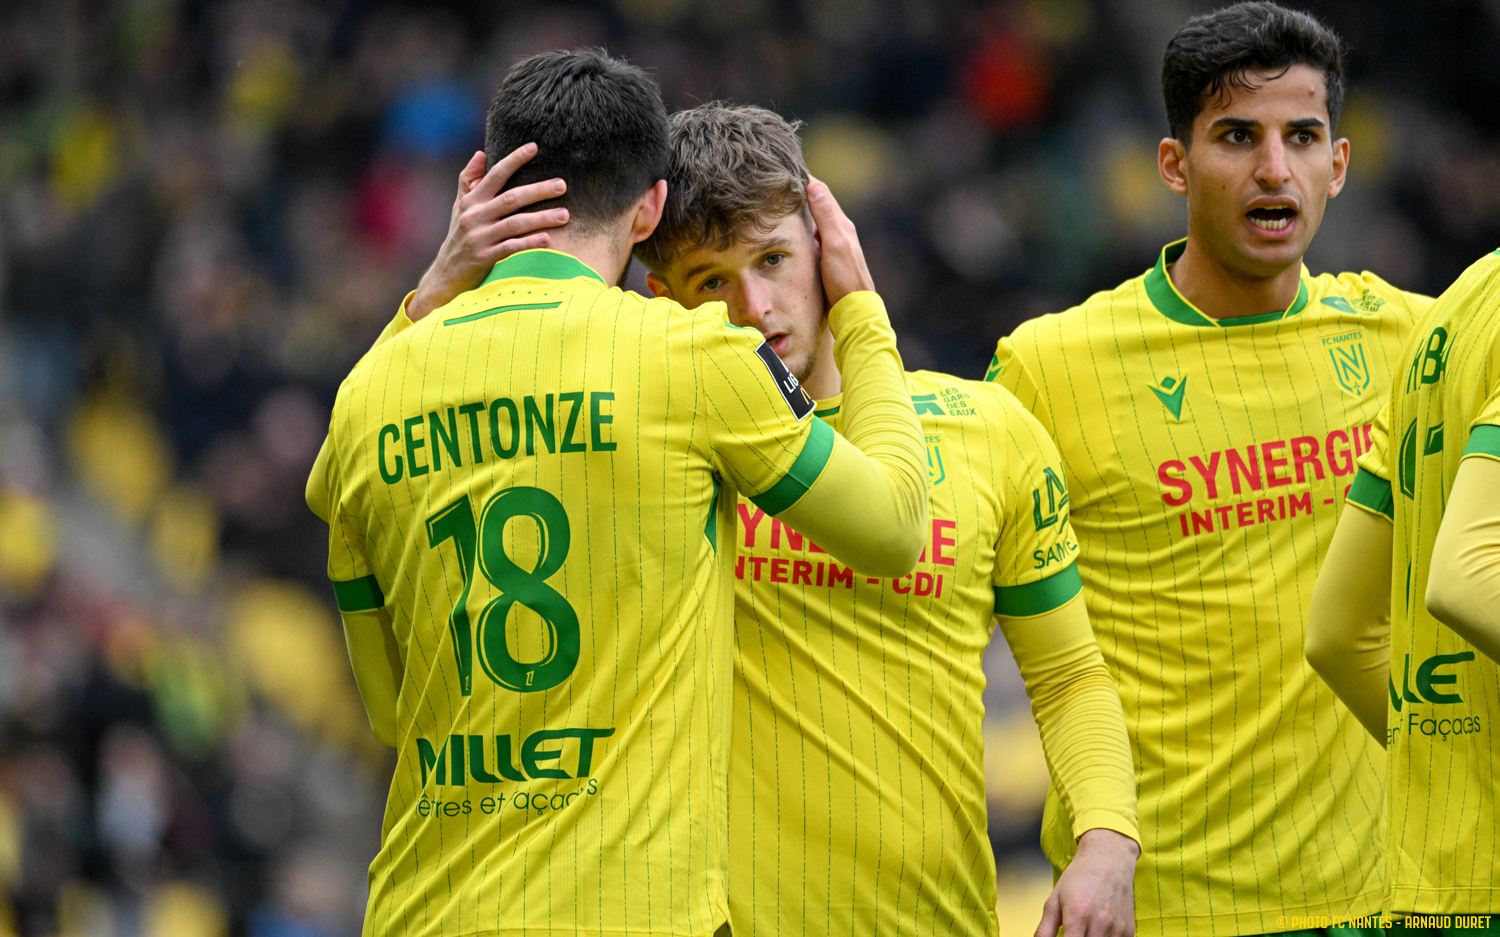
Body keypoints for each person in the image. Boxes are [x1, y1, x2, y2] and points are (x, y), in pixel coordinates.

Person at [395, 102, 1141, 936]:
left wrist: (1107, 840)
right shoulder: (644, 446)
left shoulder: (990, 430)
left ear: (828, 248)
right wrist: (434, 296)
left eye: (773, 259)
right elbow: (402, 441)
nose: (753, 306)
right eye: (711, 281)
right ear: (661, 299)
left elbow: (1069, 674)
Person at [306, 49, 930, 937]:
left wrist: (432, 292)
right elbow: (896, 527)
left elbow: (386, 706)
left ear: (481, 185)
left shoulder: (371, 394)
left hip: (424, 908)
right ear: (649, 210)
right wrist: (861, 308)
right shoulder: (693, 359)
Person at [984, 4, 1431, 934]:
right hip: (1159, 906)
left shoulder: (1410, 341)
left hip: (1380, 898)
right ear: (1174, 164)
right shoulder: (1048, 366)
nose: (1274, 168)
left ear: (1338, 165)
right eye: (1236, 137)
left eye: (1301, 137)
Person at [1306, 249, 1500, 929]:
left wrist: (1444, 764)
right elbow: (1470, 572)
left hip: (1435, 881)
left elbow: (1338, 635)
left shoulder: (1453, 311)